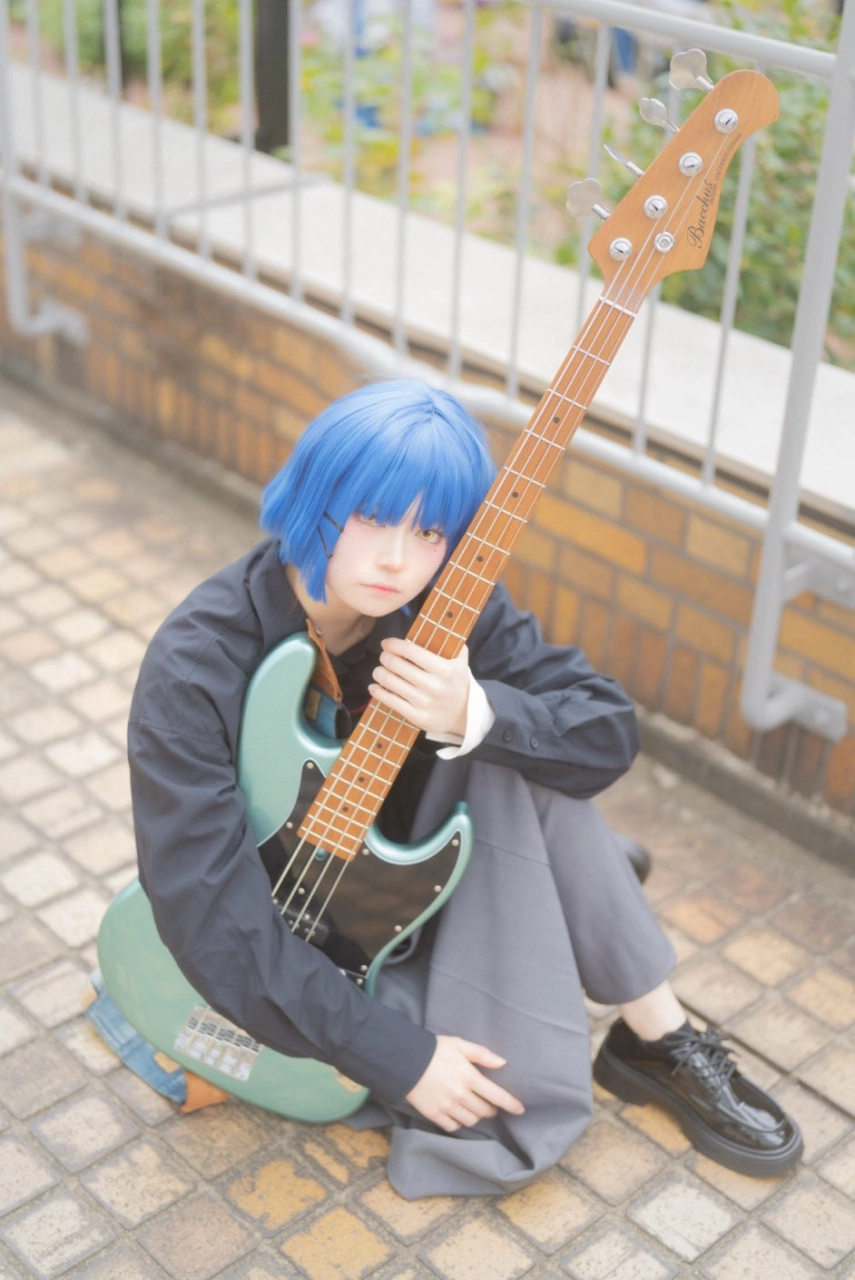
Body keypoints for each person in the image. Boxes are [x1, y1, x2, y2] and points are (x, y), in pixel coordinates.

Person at [128, 378, 802, 1197]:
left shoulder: (443, 607)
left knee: (521, 746)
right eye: (371, 517)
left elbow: (605, 731)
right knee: (475, 1097)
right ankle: (589, 922)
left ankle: (657, 1038)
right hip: (285, 944)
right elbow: (210, 920)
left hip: (402, 901)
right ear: (314, 496)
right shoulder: (195, 665)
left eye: (429, 531)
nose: (395, 559)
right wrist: (403, 1058)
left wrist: (476, 713)